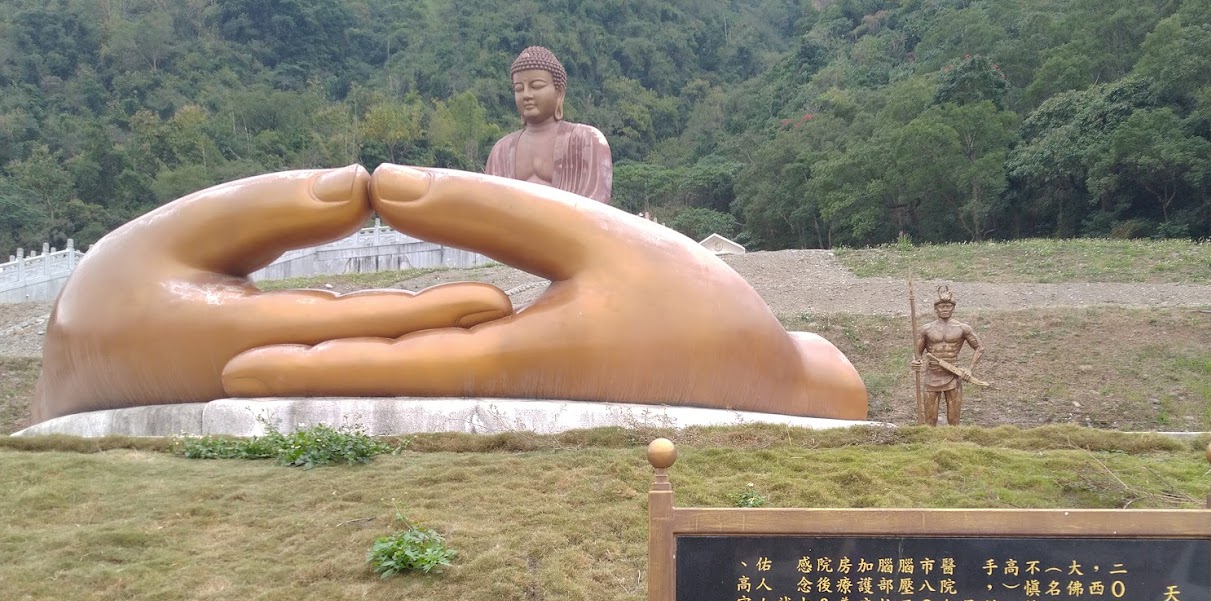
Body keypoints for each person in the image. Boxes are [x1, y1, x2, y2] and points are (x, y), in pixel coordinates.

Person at [32, 164, 867, 423]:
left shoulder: (578, 140)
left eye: (539, 86)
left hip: (608, 279)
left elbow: (579, 193)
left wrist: (86, 346)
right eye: (520, 86)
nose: (529, 97)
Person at [483, 46, 613, 204]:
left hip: (566, 220)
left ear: (559, 93)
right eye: (519, 89)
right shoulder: (501, 150)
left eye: (536, 86)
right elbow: (490, 205)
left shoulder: (586, 140)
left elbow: (595, 201)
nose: (526, 95)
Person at [911, 287, 984, 426]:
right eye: (941, 306)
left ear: (953, 308)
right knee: (930, 419)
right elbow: (917, 352)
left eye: (948, 306)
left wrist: (969, 369)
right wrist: (916, 361)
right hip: (932, 376)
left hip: (953, 376)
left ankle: (953, 439)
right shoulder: (926, 329)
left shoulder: (962, 328)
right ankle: (929, 439)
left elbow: (980, 347)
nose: (945, 309)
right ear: (936, 309)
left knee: (954, 418)